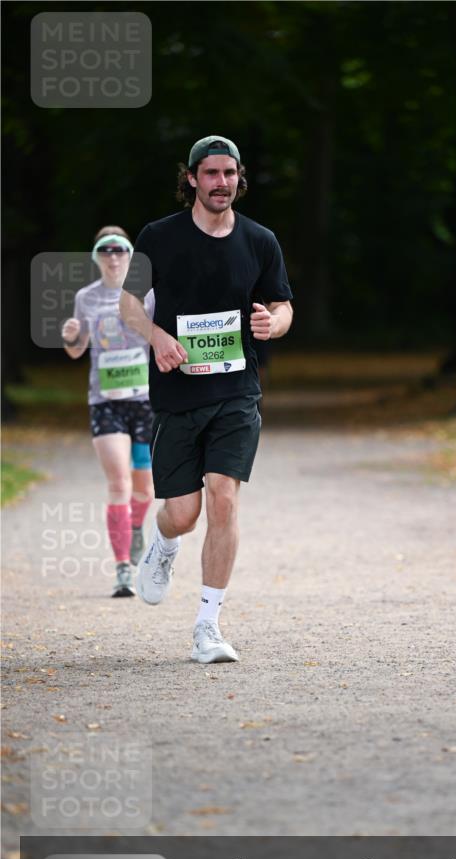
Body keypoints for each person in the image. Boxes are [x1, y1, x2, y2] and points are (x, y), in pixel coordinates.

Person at [119, 135, 293, 663]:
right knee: (184, 514)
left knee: (223, 497)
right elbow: (128, 307)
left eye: (230, 174)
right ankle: (164, 542)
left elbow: (284, 307)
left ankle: (208, 626)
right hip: (177, 395)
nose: (222, 183)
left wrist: (272, 323)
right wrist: (157, 337)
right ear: (192, 178)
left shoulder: (260, 241)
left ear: (241, 178)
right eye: (211, 174)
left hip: (237, 392)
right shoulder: (159, 237)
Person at [62, 226, 155, 598]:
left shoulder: (145, 295)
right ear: (97, 257)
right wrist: (71, 335)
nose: (113, 256)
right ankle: (122, 570)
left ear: (130, 256)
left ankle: (134, 528)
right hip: (106, 403)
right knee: (119, 483)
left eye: (120, 250)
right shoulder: (86, 297)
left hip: (145, 401)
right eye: (106, 250)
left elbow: (158, 336)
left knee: (145, 488)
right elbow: (75, 349)